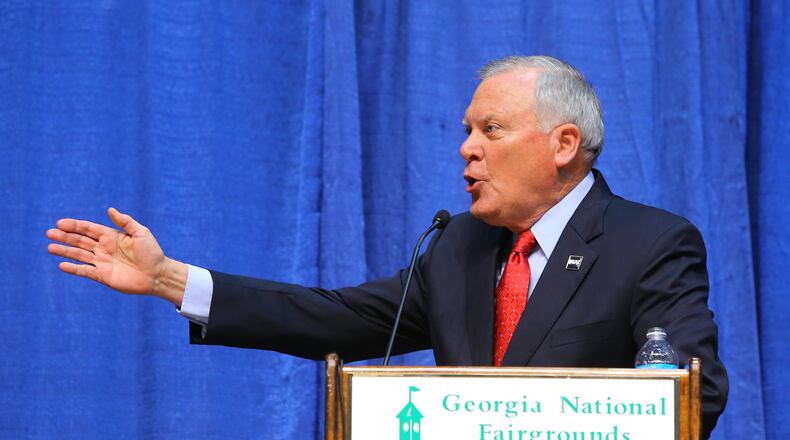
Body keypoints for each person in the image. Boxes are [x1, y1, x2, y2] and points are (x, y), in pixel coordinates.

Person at [46, 55, 727, 437]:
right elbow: (332, 318)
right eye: (466, 130)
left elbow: (694, 396)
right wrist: (169, 279)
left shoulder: (650, 243)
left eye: (491, 130)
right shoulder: (460, 246)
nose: (467, 148)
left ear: (564, 145)